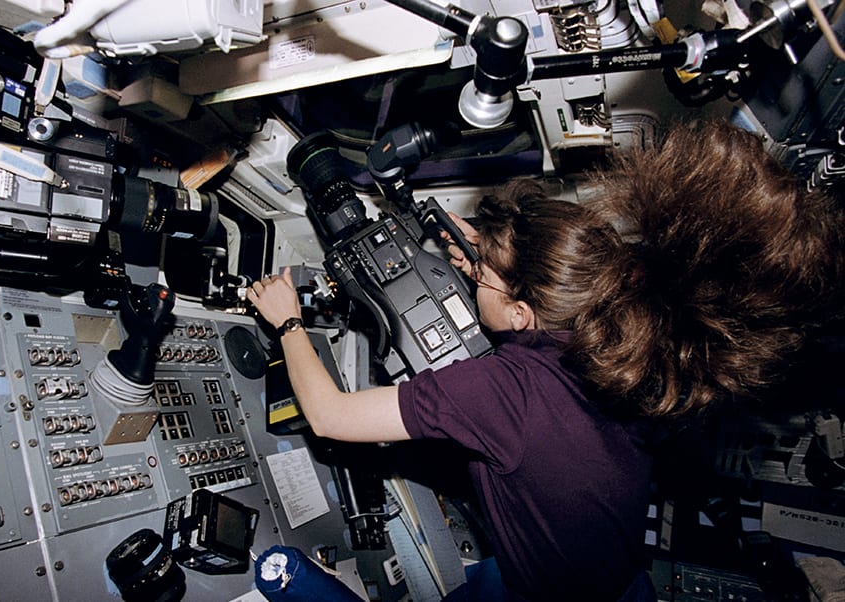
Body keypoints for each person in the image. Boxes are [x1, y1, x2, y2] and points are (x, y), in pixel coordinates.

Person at [245, 120, 845, 601]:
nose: (471, 275)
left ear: (522, 313)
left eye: (480, 274)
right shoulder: (630, 340)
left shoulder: (501, 392)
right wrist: (485, 249)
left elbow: (328, 416)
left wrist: (288, 320)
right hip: (620, 582)